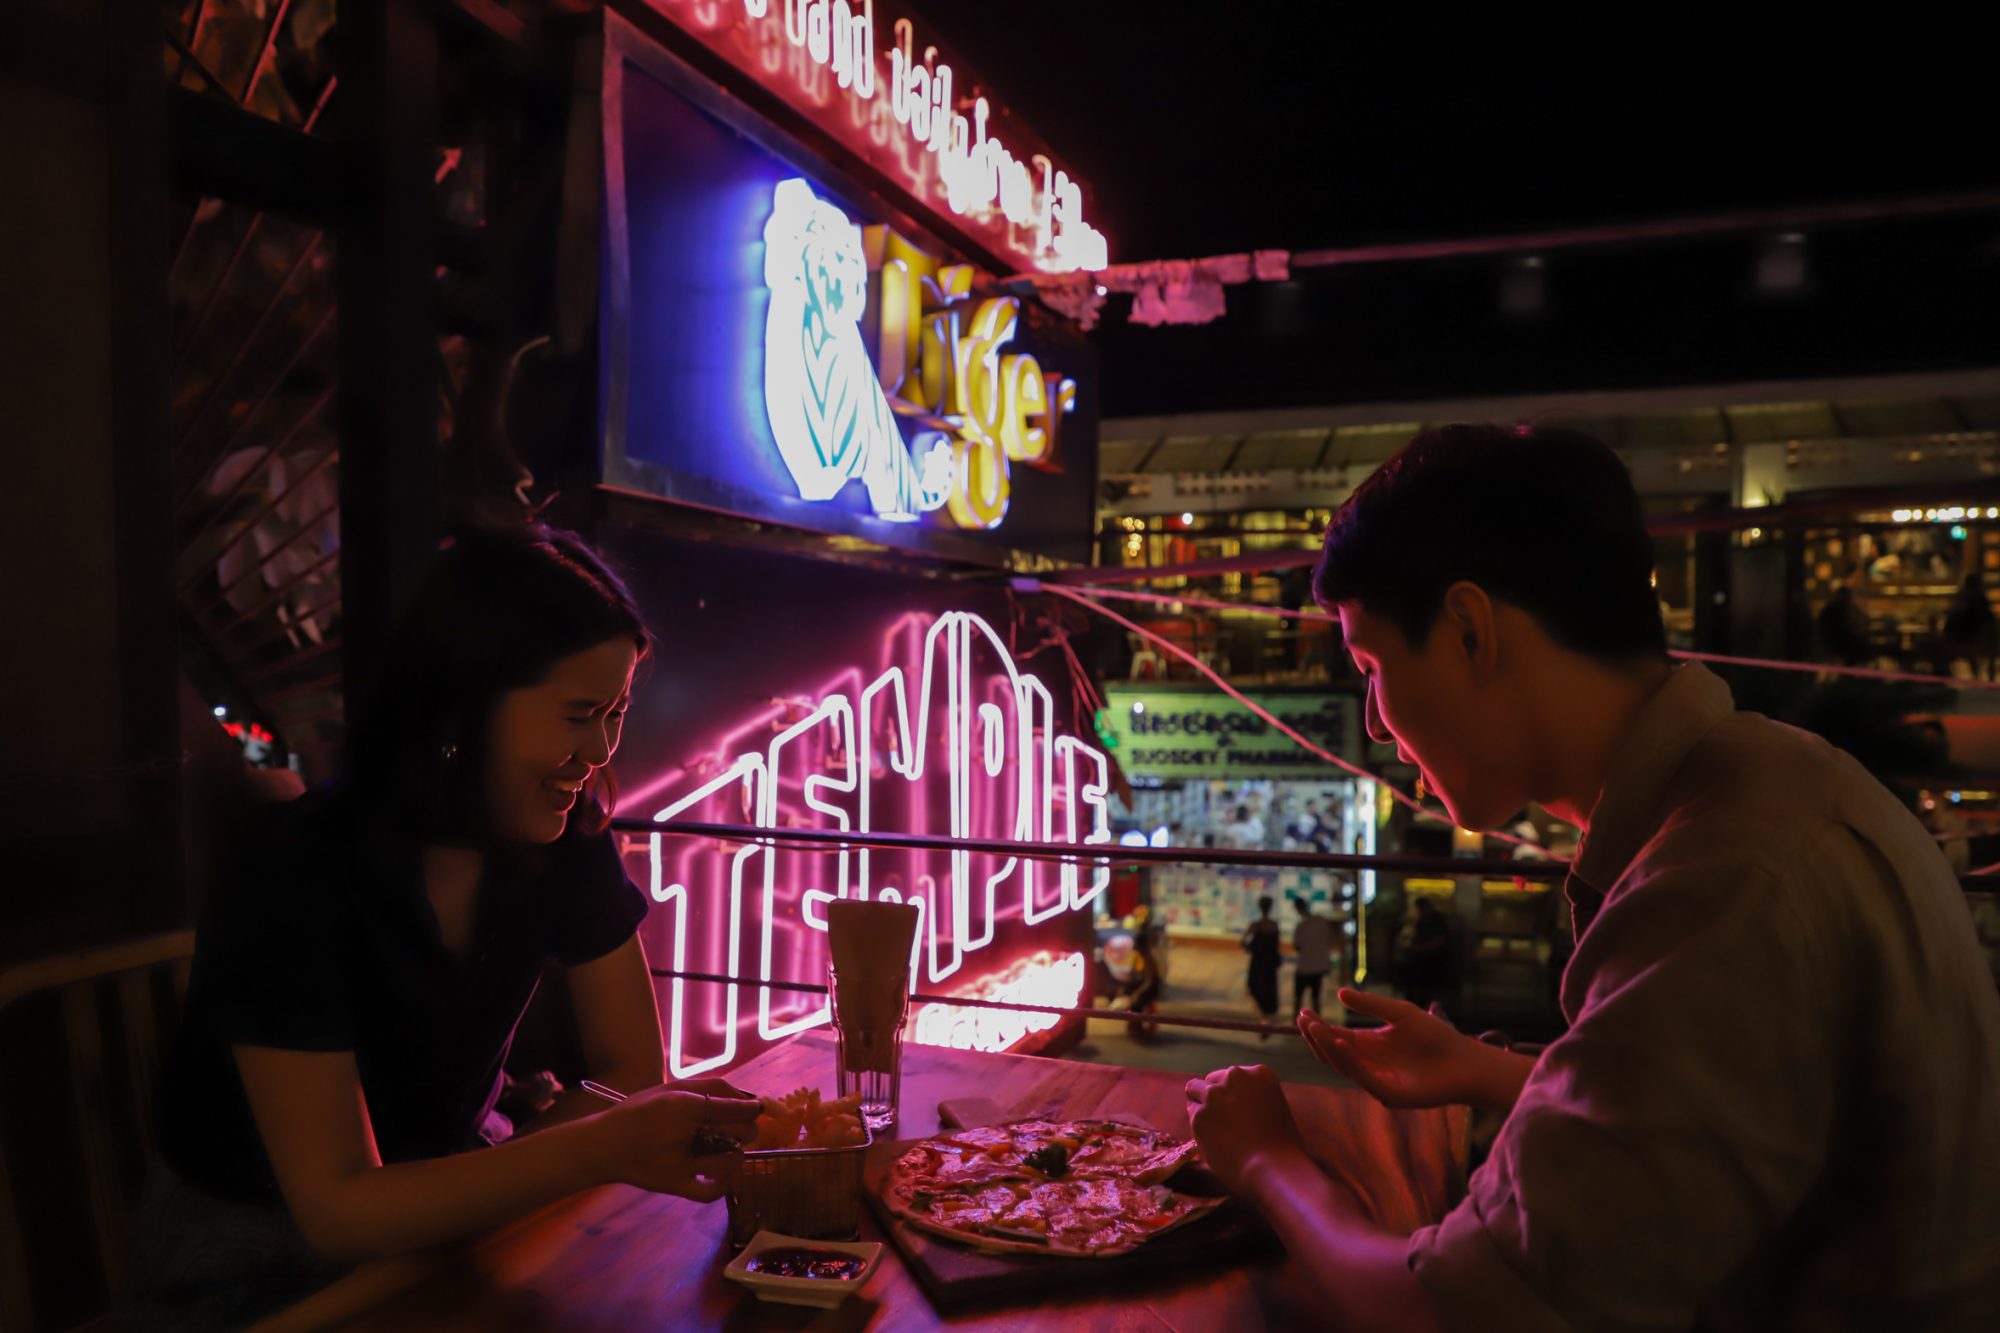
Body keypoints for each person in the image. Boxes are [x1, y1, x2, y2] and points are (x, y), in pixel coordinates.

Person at [1184, 424, 2000, 1331]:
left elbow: (1452, 1313)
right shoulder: (1765, 787)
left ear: (1468, 630)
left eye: (1373, 666)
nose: (1375, 723)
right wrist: (1492, 1070)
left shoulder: (1729, 878)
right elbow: (1710, 1118)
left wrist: (1266, 1162)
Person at [142, 527, 760, 1326]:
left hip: (467, 1209)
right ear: (465, 703)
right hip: (257, 1264)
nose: (602, 749)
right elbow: (339, 1210)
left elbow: (632, 1070)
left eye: (616, 712)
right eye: (580, 713)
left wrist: (557, 1152)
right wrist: (594, 1144)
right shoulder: (293, 869)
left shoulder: (563, 831)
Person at [1396, 897, 1453, 1011]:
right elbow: (1404, 936)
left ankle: (1423, 1007)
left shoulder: (1437, 920)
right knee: (1410, 981)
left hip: (1432, 959)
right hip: (1416, 958)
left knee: (1426, 985)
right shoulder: (1415, 920)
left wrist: (1422, 948)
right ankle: (1412, 1005)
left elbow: (1441, 940)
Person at [1941, 572, 1999, 679]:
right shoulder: (1982, 602)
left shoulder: (1965, 601)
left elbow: (1952, 625)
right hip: (1976, 641)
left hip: (1963, 641)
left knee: (1937, 648)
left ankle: (1942, 678)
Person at [1240, 894, 1282, 1036]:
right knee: (1268, 993)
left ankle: (1263, 1021)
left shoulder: (1255, 925)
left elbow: (1243, 942)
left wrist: (1250, 948)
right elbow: (1277, 946)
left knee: (1252, 991)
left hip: (1257, 963)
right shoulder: (1274, 925)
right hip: (1270, 965)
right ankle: (1267, 1021)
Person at [1290, 895, 1335, 1013]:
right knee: (1316, 997)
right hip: (1319, 966)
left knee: (1298, 997)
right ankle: (1317, 1023)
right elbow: (1329, 940)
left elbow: (1297, 946)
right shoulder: (1321, 922)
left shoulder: (1301, 926)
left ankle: (1296, 1024)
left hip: (1304, 967)